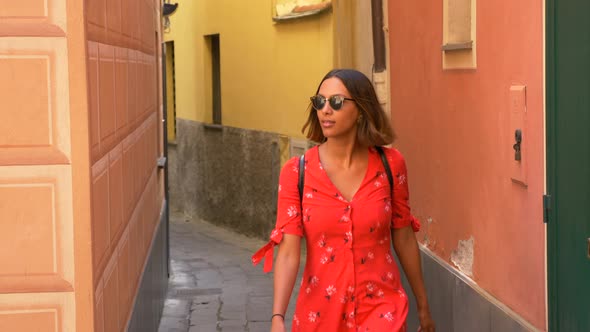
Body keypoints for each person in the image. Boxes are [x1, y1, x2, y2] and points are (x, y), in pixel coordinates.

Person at [252, 69, 435, 332]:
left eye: (336, 102)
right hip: (320, 315)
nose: (326, 110)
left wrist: (423, 305)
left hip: (382, 310)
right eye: (319, 102)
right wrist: (277, 317)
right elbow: (289, 252)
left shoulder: (391, 165)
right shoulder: (296, 173)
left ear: (361, 109)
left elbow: (404, 237)